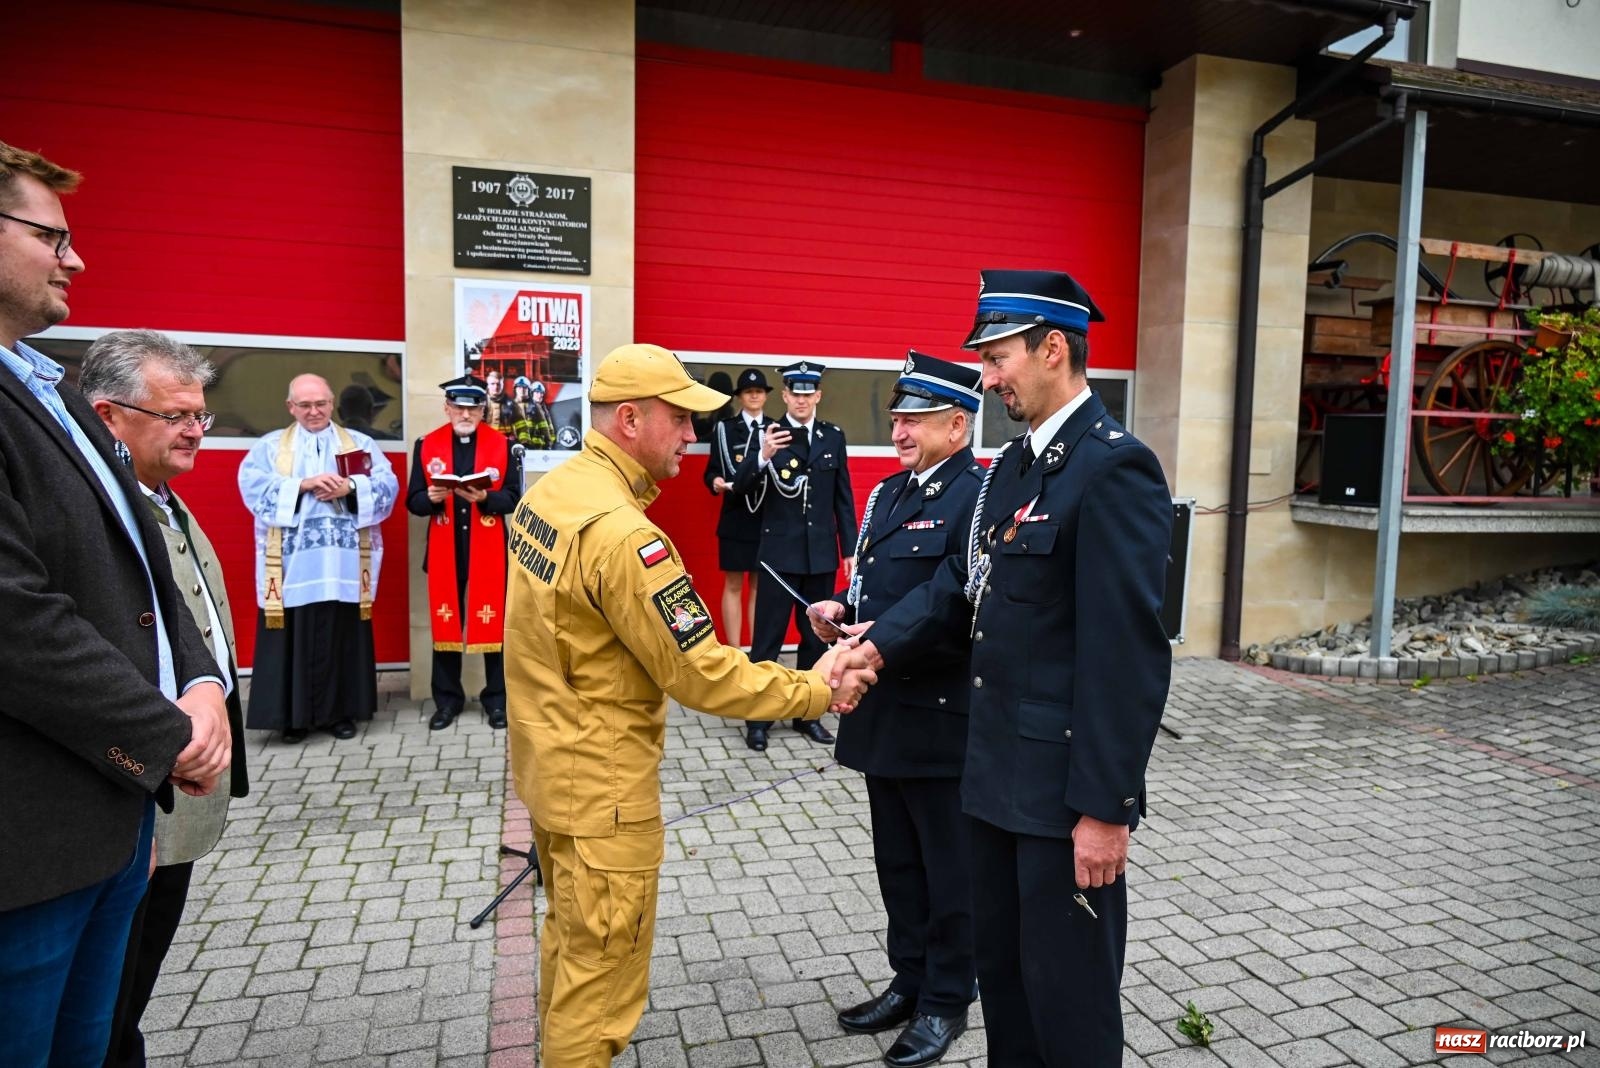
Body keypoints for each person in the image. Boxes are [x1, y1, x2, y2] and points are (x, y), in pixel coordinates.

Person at [832, 270, 1174, 1067]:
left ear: (1054, 349)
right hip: (988, 784)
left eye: (997, 357)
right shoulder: (1017, 469)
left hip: (1061, 801)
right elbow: (961, 587)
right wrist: (872, 647)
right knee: (1011, 995)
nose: (986, 378)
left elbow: (1126, 655)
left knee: (1070, 1005)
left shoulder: (1116, 467)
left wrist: (1106, 810)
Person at [502, 342, 877, 1068]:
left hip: (549, 772)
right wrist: (816, 687)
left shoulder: (553, 494)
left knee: (570, 945)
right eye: (680, 420)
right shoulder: (626, 537)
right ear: (632, 420)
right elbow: (700, 672)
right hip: (605, 791)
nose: (692, 437)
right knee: (601, 983)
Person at [0, 140, 231, 1067]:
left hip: (104, 823)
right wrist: (165, 730)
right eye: (50, 235)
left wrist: (207, 677)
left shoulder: (41, 387)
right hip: (29, 845)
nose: (76, 258)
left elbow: (141, 564)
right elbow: (16, 616)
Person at [80, 330, 252, 1068]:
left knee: (131, 990)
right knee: (104, 1004)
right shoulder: (98, 516)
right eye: (177, 415)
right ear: (108, 415)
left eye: (201, 416)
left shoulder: (160, 500)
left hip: (177, 801)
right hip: (132, 802)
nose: (195, 431)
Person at [808, 351, 984, 1068]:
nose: (899, 429)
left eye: (913, 418)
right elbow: (877, 587)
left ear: (958, 422)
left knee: (950, 872)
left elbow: (955, 594)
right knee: (898, 865)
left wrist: (872, 640)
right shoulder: (887, 495)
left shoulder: (980, 495)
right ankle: (908, 980)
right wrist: (839, 611)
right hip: (883, 710)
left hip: (941, 715)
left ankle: (946, 1001)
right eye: (897, 417)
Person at [239, 372, 399, 742]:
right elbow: (252, 487)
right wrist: (303, 485)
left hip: (342, 566)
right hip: (294, 569)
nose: (314, 411)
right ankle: (293, 718)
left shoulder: (358, 444)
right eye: (305, 405)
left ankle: (340, 714)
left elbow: (387, 485)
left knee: (342, 636)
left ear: (332, 404)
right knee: (293, 637)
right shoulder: (270, 446)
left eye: (321, 403)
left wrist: (351, 486)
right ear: (290, 407)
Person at [735, 360, 857, 751]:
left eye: (809, 393)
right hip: (778, 557)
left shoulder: (832, 437)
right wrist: (762, 456)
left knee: (813, 641)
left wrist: (850, 550)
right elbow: (740, 489)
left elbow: (843, 498)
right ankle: (758, 719)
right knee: (767, 642)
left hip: (819, 554)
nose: (802, 399)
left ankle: (807, 715)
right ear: (785, 395)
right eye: (795, 393)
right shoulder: (770, 435)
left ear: (818, 395)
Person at [406, 374, 518, 731]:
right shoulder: (427, 445)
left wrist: (486, 498)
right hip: (444, 548)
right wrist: (431, 498)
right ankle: (447, 701)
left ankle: (496, 701)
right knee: (445, 623)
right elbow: (414, 501)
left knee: (494, 625)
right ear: (447, 408)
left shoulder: (504, 445)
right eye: (458, 407)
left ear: (483, 410)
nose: (465, 414)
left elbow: (514, 498)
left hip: (488, 552)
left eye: (472, 408)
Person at [703, 367, 773, 648]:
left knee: (758, 585)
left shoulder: (775, 428)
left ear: (766, 396)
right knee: (733, 584)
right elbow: (712, 471)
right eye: (748, 392)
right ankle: (734, 650)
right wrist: (716, 481)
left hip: (766, 516)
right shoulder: (725, 429)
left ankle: (756, 652)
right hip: (735, 516)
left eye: (759, 391)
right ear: (740, 397)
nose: (754, 396)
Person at [510, 374, 556, 450]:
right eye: (537, 392)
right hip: (516, 445)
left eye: (525, 388)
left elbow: (545, 427)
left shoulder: (537, 408)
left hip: (535, 446)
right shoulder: (510, 405)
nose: (540, 395)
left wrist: (548, 443)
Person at [484, 368, 517, 434]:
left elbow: (518, 423)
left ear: (503, 385)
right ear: (487, 385)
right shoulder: (481, 402)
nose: (496, 387)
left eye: (498, 384)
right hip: (487, 439)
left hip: (505, 440)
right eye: (492, 384)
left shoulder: (511, 403)